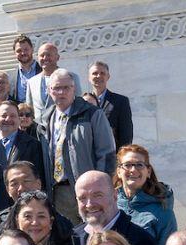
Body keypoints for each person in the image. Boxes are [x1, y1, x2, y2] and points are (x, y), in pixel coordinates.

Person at [42, 70, 116, 223]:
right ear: (49, 91)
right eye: (56, 88)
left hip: (89, 192)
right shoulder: (45, 119)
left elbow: (107, 154)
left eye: (66, 87)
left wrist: (101, 187)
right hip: (58, 192)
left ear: (74, 89)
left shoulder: (92, 114)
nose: (61, 92)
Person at [114, 145, 176, 245]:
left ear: (148, 171)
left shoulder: (163, 211)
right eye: (127, 165)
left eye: (139, 165)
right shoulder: (110, 204)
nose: (133, 170)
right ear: (119, 171)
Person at [84, 61, 135, 149]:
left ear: (108, 77)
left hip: (111, 156)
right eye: (94, 73)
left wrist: (121, 158)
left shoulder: (121, 101)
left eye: (102, 73)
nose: (98, 76)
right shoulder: (82, 102)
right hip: (88, 157)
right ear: (89, 77)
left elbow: (126, 133)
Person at [21, 42, 79, 117]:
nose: (45, 58)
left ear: (57, 57)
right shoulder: (31, 82)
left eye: (48, 55)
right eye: (42, 55)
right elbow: (29, 110)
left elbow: (78, 102)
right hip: (40, 127)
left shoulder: (71, 77)